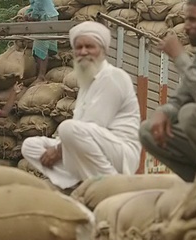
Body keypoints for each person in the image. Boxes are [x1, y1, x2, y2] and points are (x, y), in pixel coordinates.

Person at [21, 21, 141, 193]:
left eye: (89, 47)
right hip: (90, 146)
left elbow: (93, 125)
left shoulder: (113, 77)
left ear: (103, 50)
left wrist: (58, 149)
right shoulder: (86, 83)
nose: (83, 52)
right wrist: (60, 147)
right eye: (79, 47)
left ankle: (111, 185)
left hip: (119, 151)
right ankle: (74, 181)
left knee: (68, 128)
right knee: (30, 145)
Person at [139, 0, 196, 182]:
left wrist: (179, 57)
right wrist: (164, 111)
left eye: (194, 20)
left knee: (191, 114)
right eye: (186, 20)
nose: (187, 27)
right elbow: (182, 96)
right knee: (148, 131)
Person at [16, 0, 59, 85]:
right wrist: (29, 13)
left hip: (46, 16)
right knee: (42, 48)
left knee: (39, 49)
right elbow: (35, 1)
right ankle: (42, 76)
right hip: (48, 15)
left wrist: (34, 15)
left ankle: (41, 77)